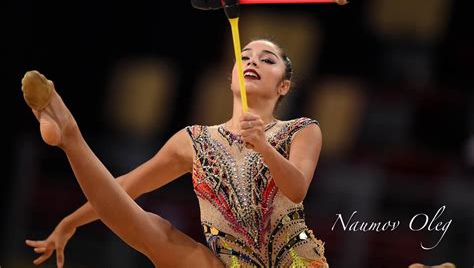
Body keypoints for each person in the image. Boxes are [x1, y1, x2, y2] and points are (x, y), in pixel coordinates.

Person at [22, 39, 328, 268]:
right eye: (244, 56)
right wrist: (71, 221)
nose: (253, 61)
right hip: (228, 264)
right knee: (156, 231)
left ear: (284, 86)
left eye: (267, 60)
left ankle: (69, 135)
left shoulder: (301, 130)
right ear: (231, 77)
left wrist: (263, 146)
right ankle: (71, 136)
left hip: (294, 263)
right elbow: (127, 186)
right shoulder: (194, 139)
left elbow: (296, 188)